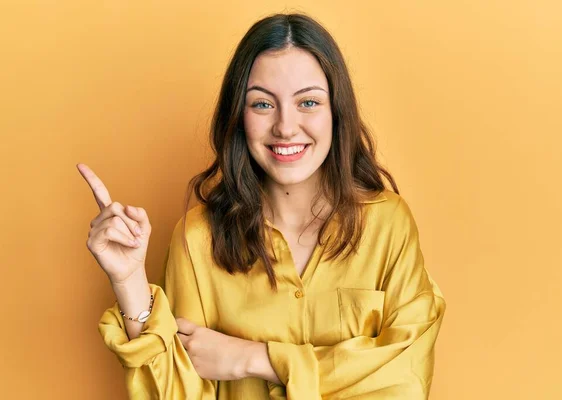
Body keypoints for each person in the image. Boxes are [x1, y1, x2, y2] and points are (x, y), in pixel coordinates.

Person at [78, 12, 446, 399]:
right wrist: (128, 280)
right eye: (263, 105)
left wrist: (256, 359)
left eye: (307, 102)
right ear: (238, 118)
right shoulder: (198, 237)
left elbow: (404, 379)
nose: (286, 127)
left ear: (336, 113)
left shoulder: (388, 223)